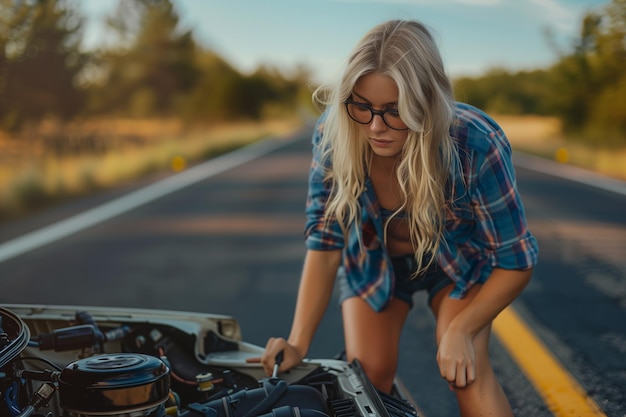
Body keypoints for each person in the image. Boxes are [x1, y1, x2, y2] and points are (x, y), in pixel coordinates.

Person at [261, 19, 538, 416]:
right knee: (365, 384)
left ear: (427, 101)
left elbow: (517, 261)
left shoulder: (475, 143)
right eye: (363, 107)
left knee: (466, 371)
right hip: (373, 264)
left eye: (395, 111)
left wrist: (462, 329)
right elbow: (325, 244)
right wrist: (298, 342)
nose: (376, 127)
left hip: (456, 265)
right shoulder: (335, 134)